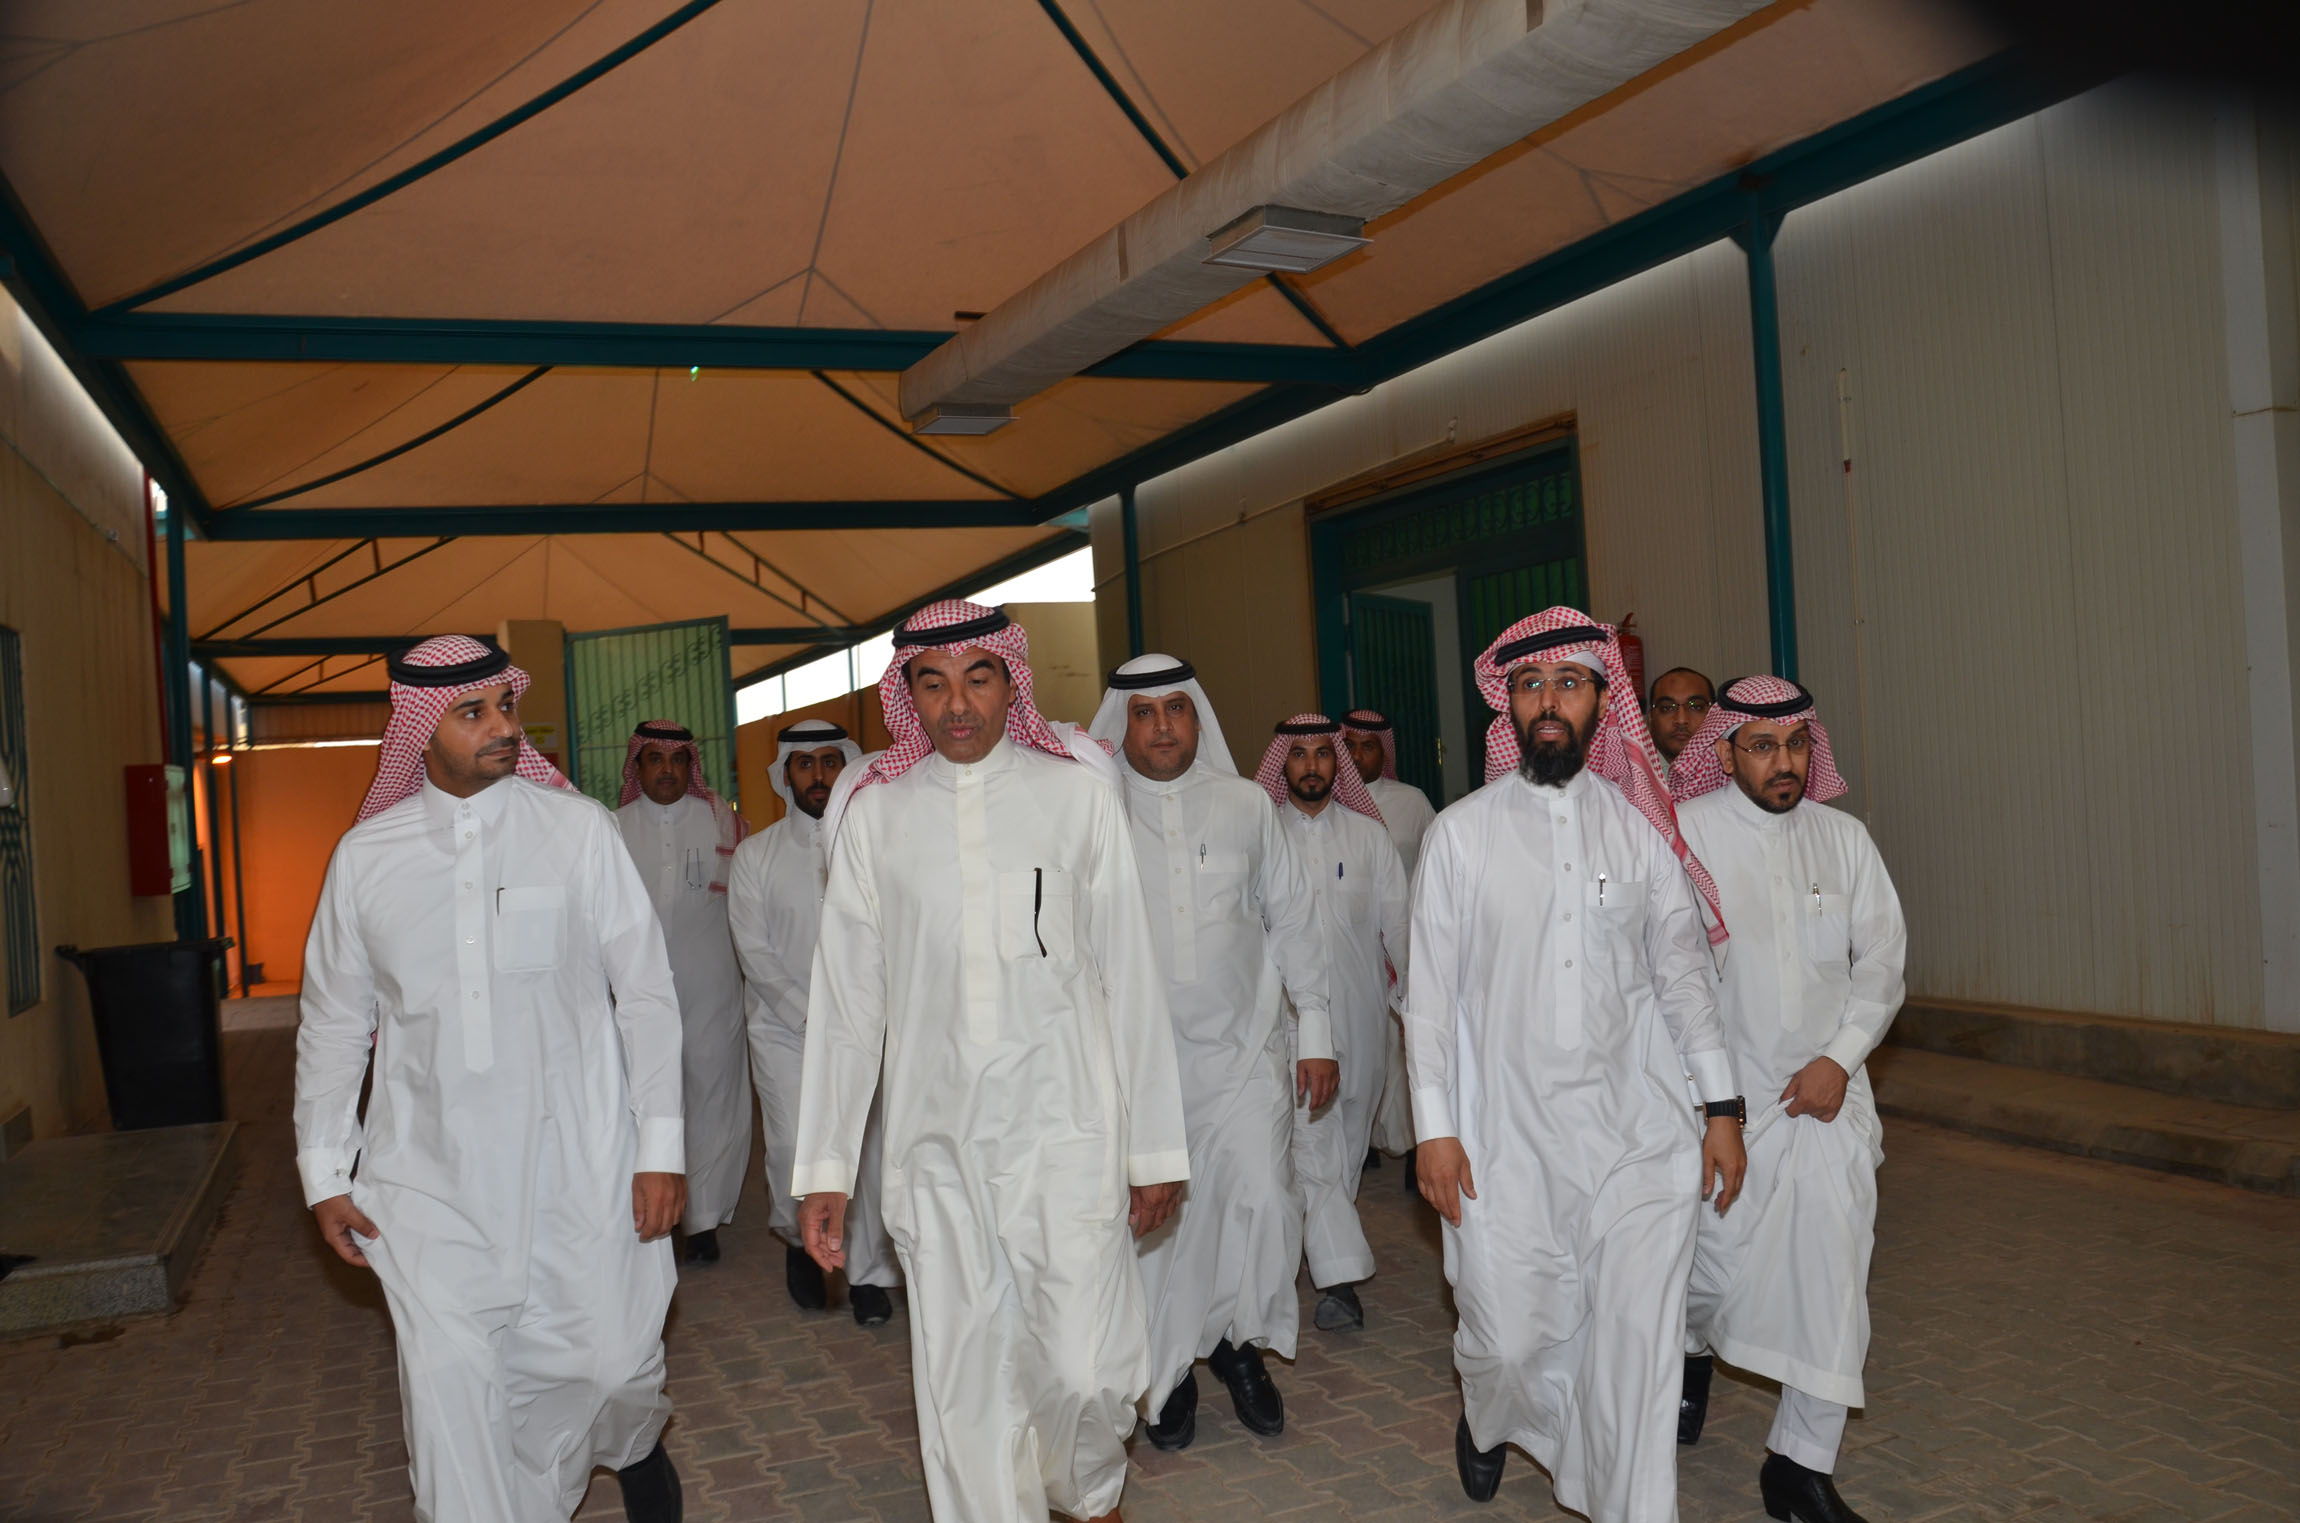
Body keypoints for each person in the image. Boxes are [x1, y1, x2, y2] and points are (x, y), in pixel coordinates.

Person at [791, 600, 1190, 1523]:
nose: (957, 704)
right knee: (965, 1387)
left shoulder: (1079, 798)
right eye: (933, 684)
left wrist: (1156, 1148)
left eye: (978, 678)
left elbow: (1130, 977)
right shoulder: (875, 818)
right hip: (936, 1150)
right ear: (908, 697)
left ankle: (1089, 1495)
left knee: (1087, 1370)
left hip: (1069, 1135)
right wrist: (826, 1169)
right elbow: (848, 1008)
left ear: (1013, 683)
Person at [295, 635, 686, 1523]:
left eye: (505, 706)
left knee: (606, 1366)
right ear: (418, 729)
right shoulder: (365, 859)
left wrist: (659, 1146)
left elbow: (647, 993)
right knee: (453, 1406)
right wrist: (324, 1171)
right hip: (426, 1182)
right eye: (472, 713)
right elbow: (334, 1023)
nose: (502, 727)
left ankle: (628, 1440)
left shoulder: (577, 830)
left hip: (577, 1162)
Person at [1406, 608, 1748, 1520]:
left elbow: (1682, 977)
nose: (1549, 701)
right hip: (1501, 1139)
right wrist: (1433, 1130)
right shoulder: (1460, 836)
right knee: (1509, 1342)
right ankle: (1490, 1412)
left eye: (1568, 683)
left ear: (1602, 700)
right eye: (1530, 685)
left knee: (1638, 1349)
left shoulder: (1639, 835)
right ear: (1507, 706)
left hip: (1637, 1139)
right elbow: (1428, 997)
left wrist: (1722, 1108)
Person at [1671, 677, 1906, 1523]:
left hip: (1827, 1103)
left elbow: (1882, 961)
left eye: (1797, 744)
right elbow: (1669, 977)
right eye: (1763, 745)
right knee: (1706, 1274)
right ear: (1724, 750)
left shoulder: (1844, 839)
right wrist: (1711, 1102)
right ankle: (1689, 1350)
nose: (1785, 762)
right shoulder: (1684, 836)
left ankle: (1799, 1466)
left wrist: (1840, 1058)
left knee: (1835, 1276)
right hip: (1719, 1107)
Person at [1087, 656, 1333, 1451]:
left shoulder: (1245, 805)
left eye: (1177, 709)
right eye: (1144, 711)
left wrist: (1316, 1031)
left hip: (1244, 1052)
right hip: (1137, 1069)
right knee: (1155, 1232)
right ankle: (1172, 1372)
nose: (1162, 726)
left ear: (1199, 718)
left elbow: (1293, 920)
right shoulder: (1093, 809)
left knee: (1263, 1199)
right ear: (1122, 722)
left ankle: (1235, 1342)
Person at [726, 718, 901, 1326]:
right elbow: (754, 951)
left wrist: (860, 1017)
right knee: (793, 1150)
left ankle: (868, 1276)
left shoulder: (872, 843)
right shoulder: (755, 855)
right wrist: (812, 1016)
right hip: (784, 1033)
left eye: (831, 761)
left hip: (867, 1030)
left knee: (866, 1152)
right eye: (806, 764)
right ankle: (800, 1242)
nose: (819, 775)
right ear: (785, 774)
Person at [1253, 714, 1409, 1334]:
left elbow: (1400, 928)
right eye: (1298, 754)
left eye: (1323, 754)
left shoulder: (1369, 838)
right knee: (1309, 1143)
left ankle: (1317, 1251)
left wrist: (1418, 1005)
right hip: (1286, 1019)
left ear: (1336, 764)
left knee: (1346, 1143)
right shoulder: (1261, 835)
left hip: (1361, 1012)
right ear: (1281, 763)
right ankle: (1338, 1280)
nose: (1311, 765)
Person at [615, 718, 750, 1263]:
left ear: (690, 765)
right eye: (655, 759)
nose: (667, 770)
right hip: (633, 983)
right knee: (639, 1092)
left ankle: (702, 1220)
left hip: (710, 978)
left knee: (712, 1092)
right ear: (637, 766)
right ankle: (646, 1206)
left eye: (677, 760)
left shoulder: (720, 819)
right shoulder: (612, 828)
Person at [1340, 708, 1439, 1178]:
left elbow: (1434, 863)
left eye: (1369, 746)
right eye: (1350, 746)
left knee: (1406, 1044)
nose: (1359, 755)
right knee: (1363, 1041)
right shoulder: (1331, 808)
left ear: (1385, 753)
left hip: (1403, 937)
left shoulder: (1411, 801)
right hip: (1355, 942)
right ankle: (1365, 1139)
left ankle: (1419, 1141)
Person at [1647, 667, 1715, 770]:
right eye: (1667, 708)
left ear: (1715, 715)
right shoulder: (1629, 775)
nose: (1681, 720)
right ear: (1650, 719)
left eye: (1696, 707)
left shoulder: (1735, 773)